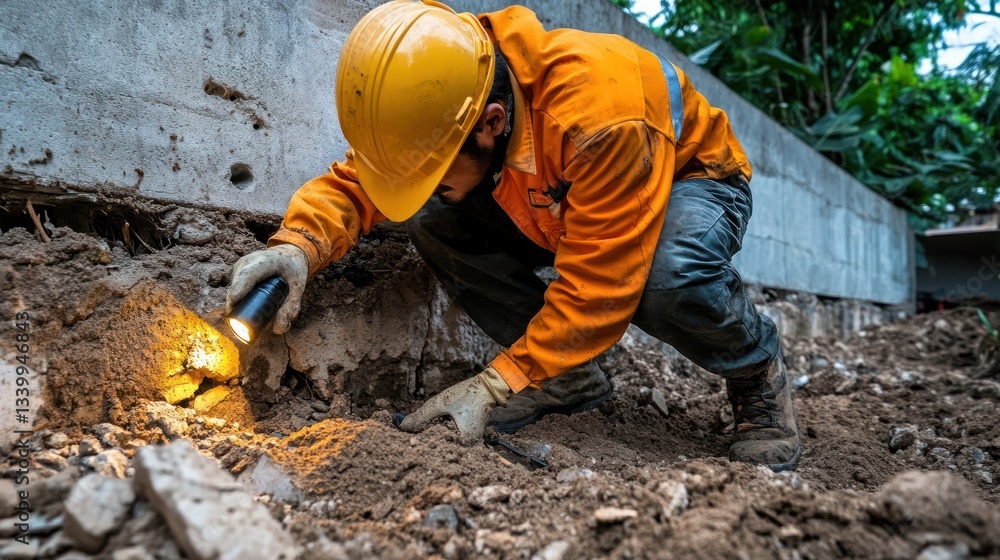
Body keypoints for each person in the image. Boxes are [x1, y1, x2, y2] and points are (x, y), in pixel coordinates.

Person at [226, 0, 801, 471]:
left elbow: (599, 286)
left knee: (667, 280)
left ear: (493, 125)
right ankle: (568, 376)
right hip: (552, 194)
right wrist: (296, 246)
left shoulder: (597, 123)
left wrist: (499, 383)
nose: (424, 182)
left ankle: (756, 370)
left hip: (689, 181)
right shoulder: (442, 92)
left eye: (436, 171)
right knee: (429, 214)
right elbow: (362, 180)